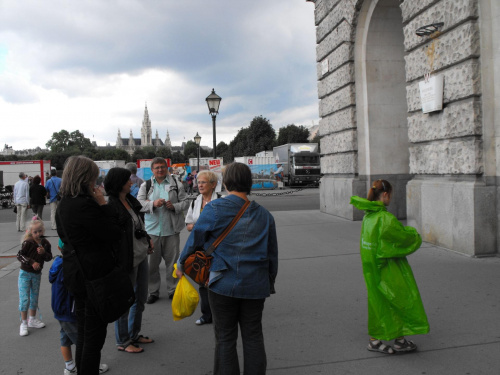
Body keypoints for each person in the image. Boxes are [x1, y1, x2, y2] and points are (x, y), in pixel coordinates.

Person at [177, 162, 278, 375]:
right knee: (253, 336)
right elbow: (272, 255)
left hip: (222, 281)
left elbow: (194, 241)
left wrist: (181, 265)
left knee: (225, 338)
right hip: (255, 283)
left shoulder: (214, 209)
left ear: (227, 182)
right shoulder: (265, 215)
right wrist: (268, 281)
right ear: (249, 183)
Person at [56, 155, 121, 375]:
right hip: (93, 274)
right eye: (93, 178)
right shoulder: (84, 205)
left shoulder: (63, 203)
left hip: (76, 272)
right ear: (85, 178)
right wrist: (103, 204)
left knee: (84, 331)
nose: (96, 183)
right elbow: (113, 233)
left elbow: (65, 237)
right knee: (94, 336)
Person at [350, 179, 430, 354]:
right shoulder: (385, 218)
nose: (391, 199)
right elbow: (403, 239)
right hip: (388, 267)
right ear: (385, 194)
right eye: (391, 195)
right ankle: (387, 340)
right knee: (400, 298)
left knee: (379, 301)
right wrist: (414, 234)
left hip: (372, 266)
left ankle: (391, 339)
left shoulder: (369, 216)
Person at [104, 168, 155, 354]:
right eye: (127, 180)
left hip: (140, 255)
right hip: (127, 260)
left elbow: (138, 225)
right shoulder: (112, 206)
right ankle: (123, 341)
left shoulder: (130, 201)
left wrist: (146, 238)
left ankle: (134, 334)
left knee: (140, 298)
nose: (131, 182)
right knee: (125, 301)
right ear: (119, 182)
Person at [49, 240, 109, 374]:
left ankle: (69, 366)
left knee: (64, 338)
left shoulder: (57, 263)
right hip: (69, 310)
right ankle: (92, 364)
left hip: (59, 309)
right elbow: (74, 289)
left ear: (59, 248)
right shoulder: (70, 267)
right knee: (82, 340)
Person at [137, 157, 189, 304]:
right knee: (152, 265)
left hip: (171, 229)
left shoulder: (176, 184)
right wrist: (153, 203)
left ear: (167, 168)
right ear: (152, 170)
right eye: (157, 167)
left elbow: (185, 202)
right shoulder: (145, 186)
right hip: (152, 230)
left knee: (172, 263)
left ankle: (172, 290)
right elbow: (139, 204)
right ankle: (153, 291)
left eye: (162, 167)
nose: (160, 170)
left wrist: (175, 206)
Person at [184, 170, 220, 326]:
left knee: (218, 281)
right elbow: (188, 225)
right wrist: (196, 226)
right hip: (200, 248)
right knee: (202, 280)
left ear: (213, 184)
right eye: (198, 182)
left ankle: (220, 314)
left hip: (218, 248)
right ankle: (206, 315)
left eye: (203, 182)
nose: (199, 185)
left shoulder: (221, 200)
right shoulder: (195, 201)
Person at [17, 216, 53, 336]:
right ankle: (23, 322)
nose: (38, 234)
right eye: (35, 232)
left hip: (37, 275)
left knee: (34, 297)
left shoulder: (45, 243)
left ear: (43, 230)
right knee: (25, 299)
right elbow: (20, 256)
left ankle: (32, 319)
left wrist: (44, 253)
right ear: (30, 232)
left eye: (40, 231)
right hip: (25, 274)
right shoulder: (28, 242)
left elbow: (49, 257)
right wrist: (32, 262)